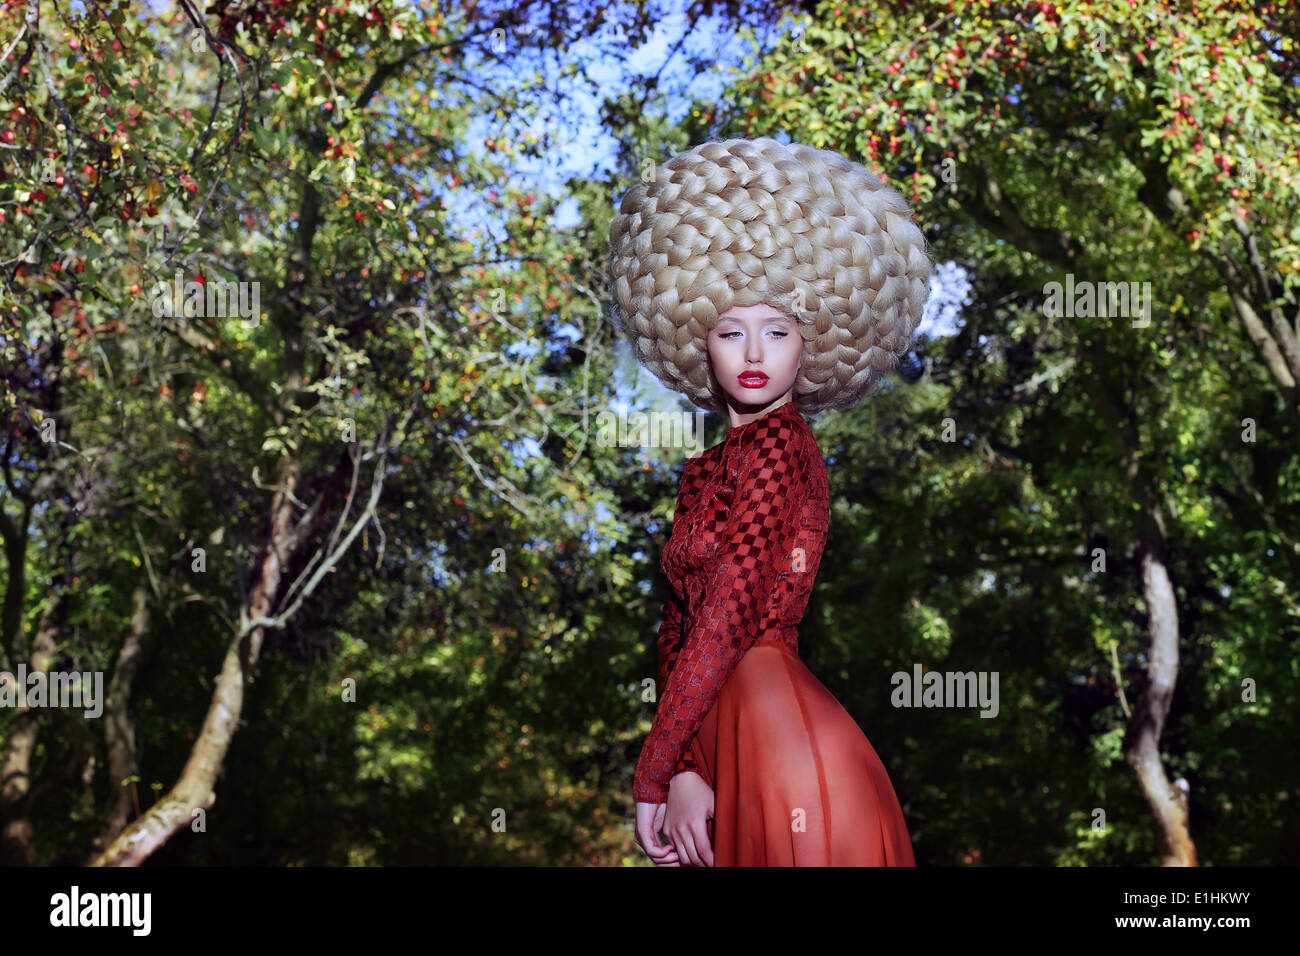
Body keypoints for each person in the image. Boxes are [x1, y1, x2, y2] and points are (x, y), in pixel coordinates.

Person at [606, 136, 932, 866]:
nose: (754, 353)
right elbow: (679, 628)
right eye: (732, 330)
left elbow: (729, 609)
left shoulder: (780, 445)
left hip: (778, 738)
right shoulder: (712, 466)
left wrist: (655, 772)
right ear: (705, 348)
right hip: (721, 732)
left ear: (806, 347)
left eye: (777, 330)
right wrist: (687, 766)